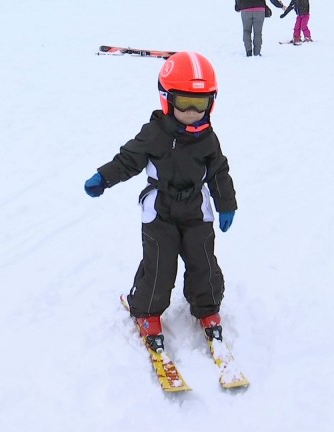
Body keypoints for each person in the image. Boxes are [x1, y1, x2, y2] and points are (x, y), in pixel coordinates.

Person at [83, 52, 238, 351]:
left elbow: (219, 171)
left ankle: (207, 309)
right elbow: (128, 160)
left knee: (204, 262)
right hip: (160, 212)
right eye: (185, 103)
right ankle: (146, 310)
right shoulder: (155, 133)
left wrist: (226, 204)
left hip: (196, 210)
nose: (193, 112)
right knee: (159, 266)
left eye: (201, 104)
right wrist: (103, 178)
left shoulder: (208, 138)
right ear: (167, 99)